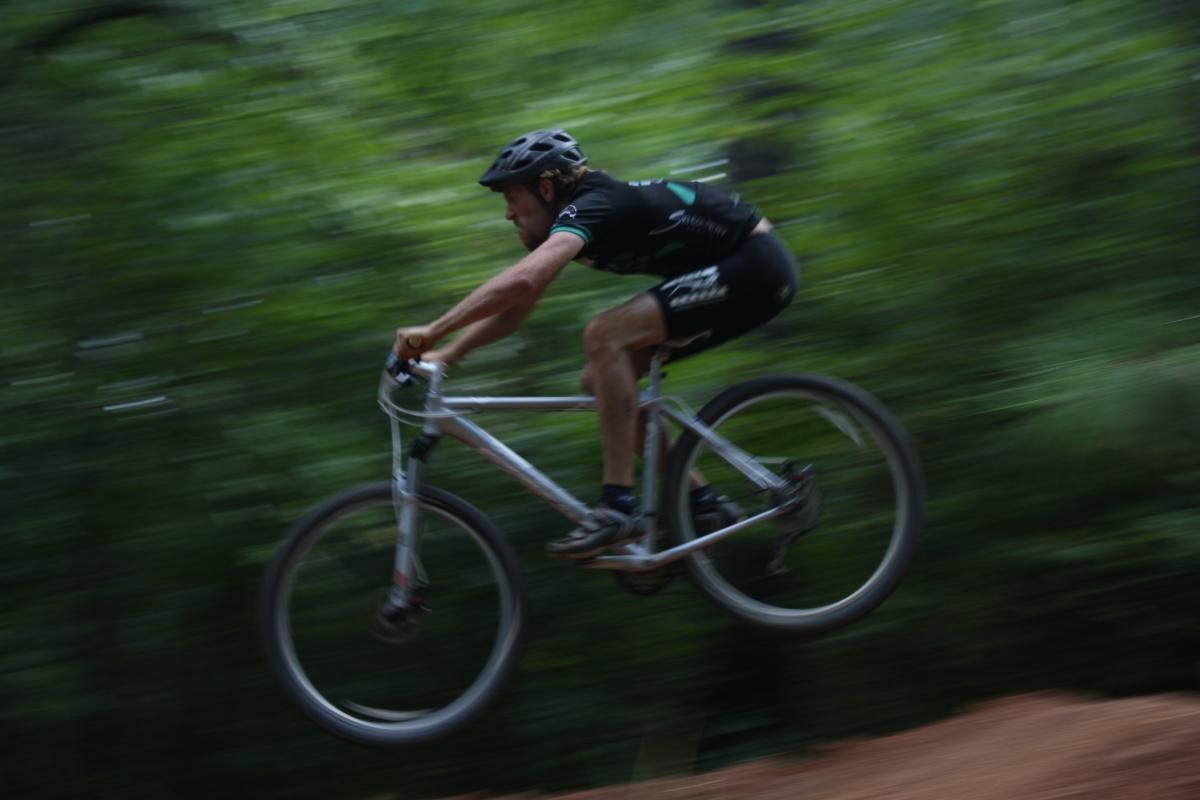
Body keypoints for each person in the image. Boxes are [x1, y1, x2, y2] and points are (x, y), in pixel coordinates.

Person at [393, 129, 797, 559]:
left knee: (604, 334)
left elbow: (524, 278)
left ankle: (616, 507)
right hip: (734, 278)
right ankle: (702, 505)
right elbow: (516, 306)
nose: (508, 214)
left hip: (756, 265)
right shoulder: (576, 218)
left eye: (513, 198)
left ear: (546, 189)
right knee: (601, 379)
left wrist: (433, 329)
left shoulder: (594, 203)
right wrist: (449, 353)